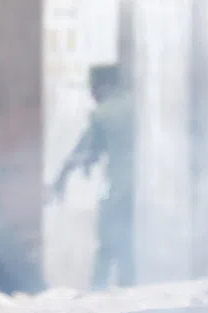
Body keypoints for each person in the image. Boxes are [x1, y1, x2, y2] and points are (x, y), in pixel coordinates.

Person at [51, 64, 136, 290]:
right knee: (128, 240)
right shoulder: (135, 106)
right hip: (140, 187)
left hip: (116, 186)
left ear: (103, 86)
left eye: (93, 87)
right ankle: (130, 287)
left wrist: (61, 179)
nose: (92, 93)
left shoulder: (103, 113)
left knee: (107, 240)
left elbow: (86, 151)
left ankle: (97, 291)